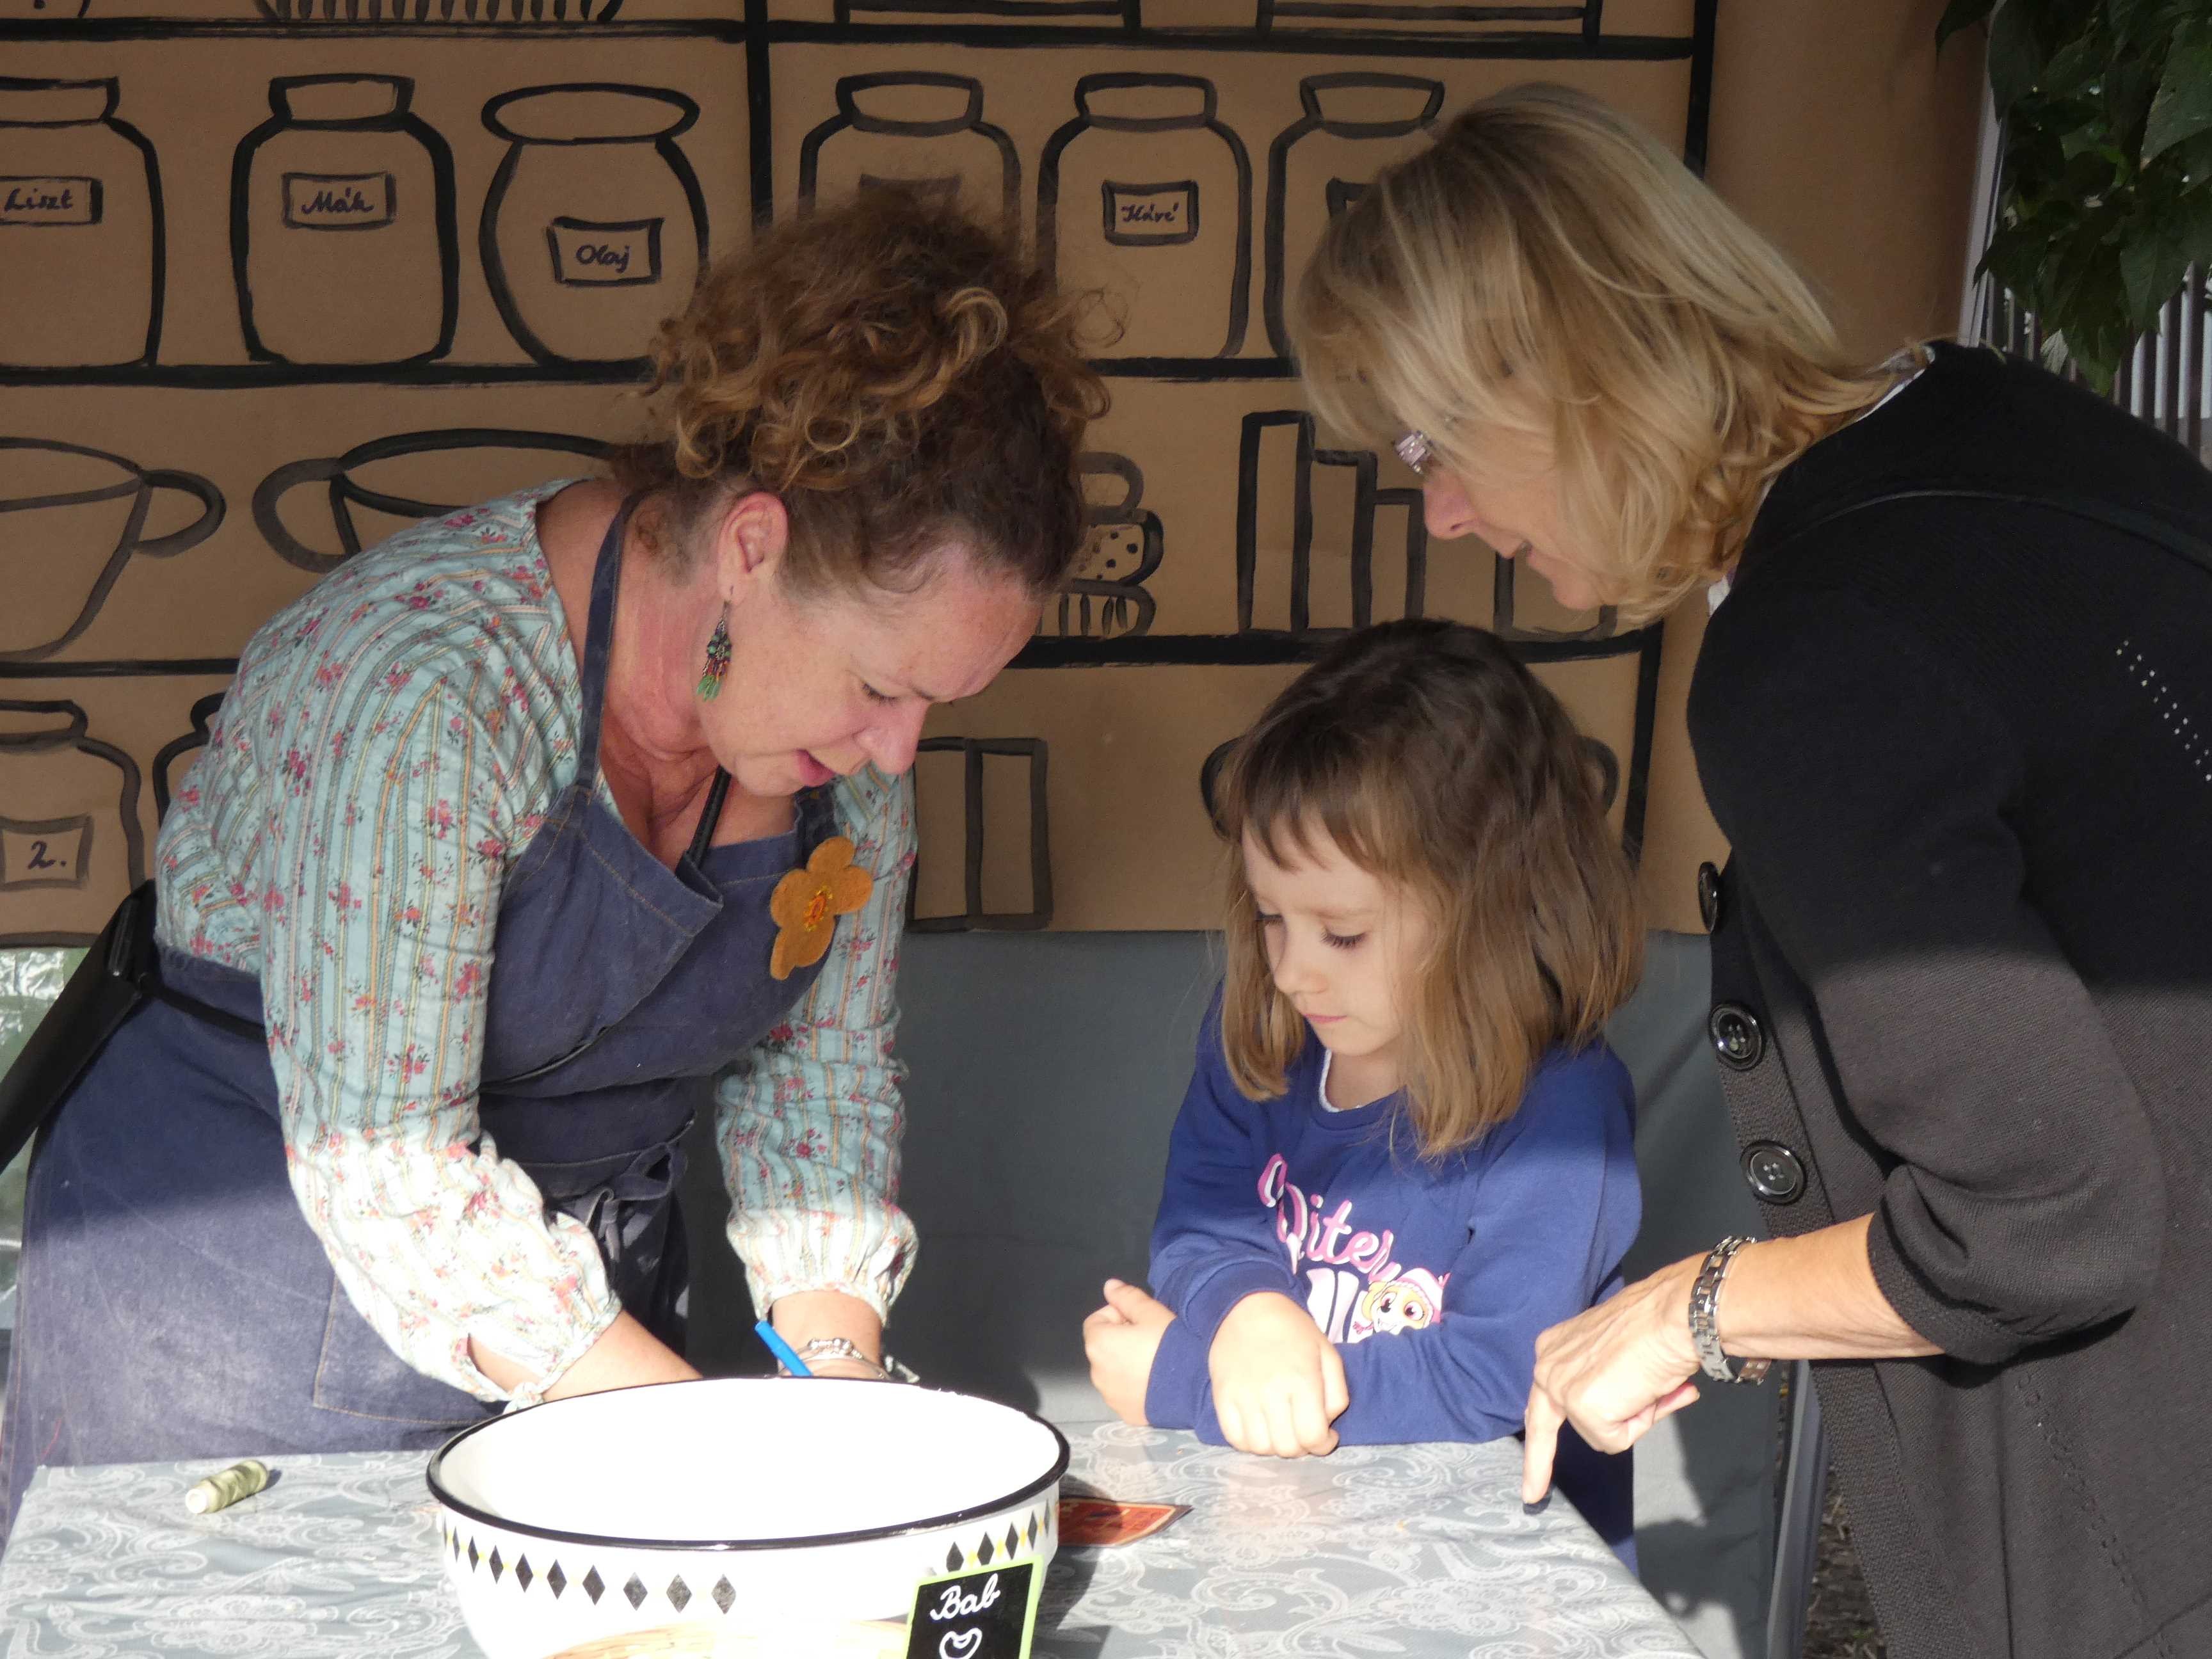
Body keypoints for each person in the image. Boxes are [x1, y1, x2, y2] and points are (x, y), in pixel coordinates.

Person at [0, 192, 1107, 1539]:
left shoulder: (844, 767)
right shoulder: (433, 691)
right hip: (230, 1316)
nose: (898, 750)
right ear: (752, 547)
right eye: (882, 685)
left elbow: (816, 1088)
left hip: (592, 1336)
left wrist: (841, 1393)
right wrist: (733, 1457)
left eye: (938, 702)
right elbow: (392, 1176)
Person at [1292, 81, 2212, 1659]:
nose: (1442, 514)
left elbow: (2044, 1218)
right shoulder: (1991, 422)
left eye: (1434, 445)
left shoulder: (1812, 658)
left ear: (1574, 375)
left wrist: (1693, 1307)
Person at [1082, 619, 1644, 1562]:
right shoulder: (1266, 1026)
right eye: (1271, 917)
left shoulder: (1562, 1111)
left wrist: (1191, 1383)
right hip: (1299, 1542)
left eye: (1343, 933)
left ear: (1491, 910)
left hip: (1497, 1579)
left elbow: (1497, 1375)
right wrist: (1249, 1313)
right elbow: (1203, 1222)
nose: (1293, 971)